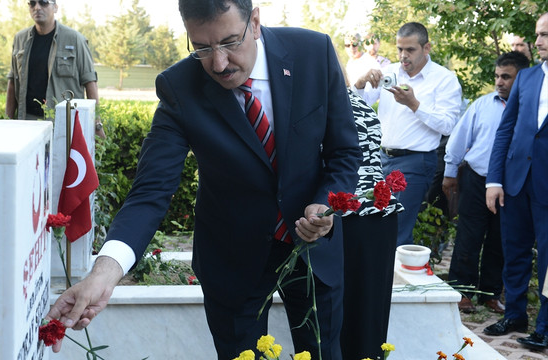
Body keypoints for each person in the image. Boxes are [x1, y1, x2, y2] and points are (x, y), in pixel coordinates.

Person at [46, 1, 362, 360]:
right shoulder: (179, 87)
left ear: (254, 22)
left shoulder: (313, 53)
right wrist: (104, 273)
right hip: (232, 261)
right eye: (201, 48)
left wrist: (326, 203)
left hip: (313, 254)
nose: (219, 64)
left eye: (229, 42)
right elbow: (150, 192)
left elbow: (344, 153)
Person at [353, 22, 463, 247]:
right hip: (379, 158)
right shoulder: (389, 71)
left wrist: (414, 104)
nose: (404, 56)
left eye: (410, 50)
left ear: (427, 48)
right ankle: (376, 279)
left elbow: (448, 125)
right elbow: (358, 105)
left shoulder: (444, 79)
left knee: (396, 229)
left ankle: (393, 281)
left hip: (415, 161)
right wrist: (360, 82)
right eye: (400, 49)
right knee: (371, 223)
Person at [443, 51, 530, 315]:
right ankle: (462, 291)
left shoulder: (531, 110)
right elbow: (459, 139)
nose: (499, 81)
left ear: (522, 79)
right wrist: (449, 173)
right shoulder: (482, 105)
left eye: (506, 77)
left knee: (500, 240)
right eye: (497, 76)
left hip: (512, 185)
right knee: (469, 237)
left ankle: (491, 294)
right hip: (476, 179)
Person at [484, 13, 548, 350]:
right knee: (515, 251)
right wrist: (494, 179)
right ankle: (515, 314)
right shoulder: (526, 78)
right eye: (538, 35)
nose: (537, 42)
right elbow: (505, 130)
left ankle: (545, 326)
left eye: (545, 36)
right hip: (515, 181)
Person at [339, 74, 403, 359]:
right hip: (377, 214)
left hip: (352, 214)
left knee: (349, 318)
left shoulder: (325, 105)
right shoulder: (354, 101)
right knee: (369, 317)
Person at [5, 0, 105, 138]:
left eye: (43, 3)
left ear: (55, 7)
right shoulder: (20, 39)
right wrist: (6, 121)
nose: (37, 7)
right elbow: (12, 82)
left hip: (65, 124)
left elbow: (90, 81)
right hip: (27, 122)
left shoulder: (75, 39)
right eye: (32, 3)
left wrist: (96, 124)